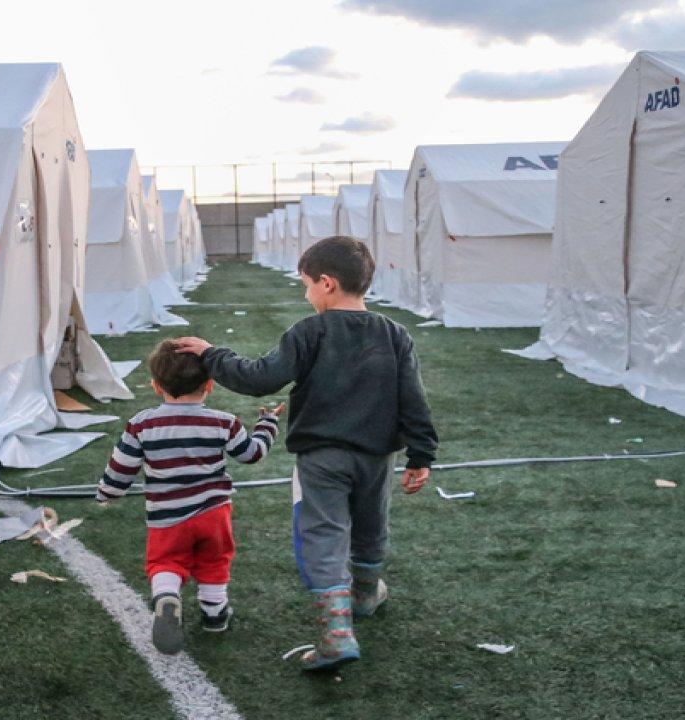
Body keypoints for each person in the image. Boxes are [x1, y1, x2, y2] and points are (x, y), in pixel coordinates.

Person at [174, 235, 438, 672]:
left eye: (306, 285)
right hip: (377, 458)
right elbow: (414, 399)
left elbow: (261, 378)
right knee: (371, 523)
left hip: (321, 458)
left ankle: (336, 634)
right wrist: (421, 456)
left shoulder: (309, 331)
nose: (306, 293)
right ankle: (366, 595)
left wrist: (212, 355)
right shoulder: (395, 334)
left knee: (324, 534)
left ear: (327, 284)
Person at [96, 339, 284, 655]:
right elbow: (252, 454)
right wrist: (267, 424)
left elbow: (121, 469)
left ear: (156, 386)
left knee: (166, 561)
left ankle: (167, 597)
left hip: (167, 515)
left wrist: (107, 492)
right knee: (214, 561)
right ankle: (215, 614)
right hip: (214, 514)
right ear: (209, 385)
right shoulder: (225, 422)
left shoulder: (142, 424)